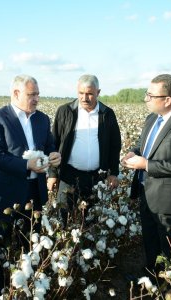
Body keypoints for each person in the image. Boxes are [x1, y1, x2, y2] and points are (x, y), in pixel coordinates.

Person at [0, 74, 61, 298]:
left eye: (37, 94)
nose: (36, 98)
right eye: (31, 94)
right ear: (16, 94)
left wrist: (54, 156)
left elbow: (49, 146)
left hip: (34, 193)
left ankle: (26, 289)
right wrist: (27, 165)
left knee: (29, 245)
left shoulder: (42, 119)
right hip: (6, 196)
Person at [121, 74, 171, 274]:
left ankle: (167, 286)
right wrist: (134, 153)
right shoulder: (152, 119)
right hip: (146, 193)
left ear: (167, 100)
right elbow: (144, 146)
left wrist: (146, 165)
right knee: (149, 239)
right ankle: (150, 276)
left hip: (169, 200)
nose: (146, 99)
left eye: (150, 95)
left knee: (168, 249)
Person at [47, 74, 121, 226]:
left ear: (98, 92)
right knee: (64, 219)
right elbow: (54, 143)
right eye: (81, 93)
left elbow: (115, 145)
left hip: (96, 177)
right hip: (68, 175)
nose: (84, 98)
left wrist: (113, 172)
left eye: (89, 94)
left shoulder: (107, 114)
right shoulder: (65, 111)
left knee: (92, 220)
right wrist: (53, 173)